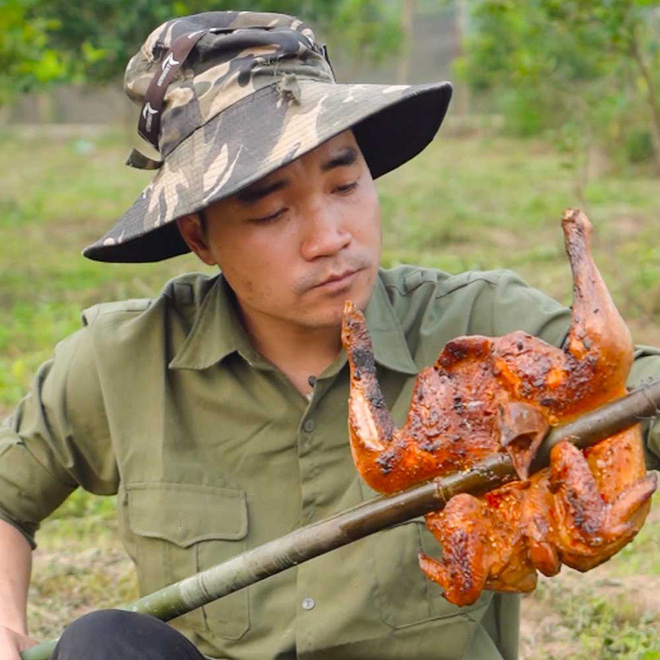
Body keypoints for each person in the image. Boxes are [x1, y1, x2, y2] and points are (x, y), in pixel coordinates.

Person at [1, 10, 659, 660]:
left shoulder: (482, 328)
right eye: (272, 211)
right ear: (199, 235)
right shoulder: (124, 362)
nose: (330, 239)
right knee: (101, 644)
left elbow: (643, 394)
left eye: (345, 184)